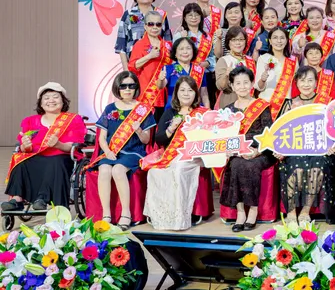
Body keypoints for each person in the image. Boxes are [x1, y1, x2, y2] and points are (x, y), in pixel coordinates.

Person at [3, 83, 86, 212]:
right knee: (21, 160)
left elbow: (74, 145)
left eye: (55, 97)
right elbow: (24, 148)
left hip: (62, 158)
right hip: (37, 157)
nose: (51, 100)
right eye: (46, 98)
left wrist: (58, 145)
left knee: (55, 161)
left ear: (63, 101)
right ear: (41, 104)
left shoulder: (73, 119)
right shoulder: (30, 121)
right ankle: (17, 199)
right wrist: (25, 146)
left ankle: (42, 198)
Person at [88, 72, 155, 230]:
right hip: (111, 151)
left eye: (131, 86)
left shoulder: (143, 109)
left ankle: (126, 214)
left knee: (118, 170)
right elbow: (102, 137)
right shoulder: (110, 109)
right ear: (117, 88)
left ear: (136, 88)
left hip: (133, 151)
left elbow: (146, 140)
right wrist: (107, 151)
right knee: (104, 169)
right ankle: (106, 215)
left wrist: (138, 130)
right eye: (123, 86)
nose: (127, 89)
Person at [144, 76, 209, 231]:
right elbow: (159, 139)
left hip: (195, 155)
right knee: (154, 172)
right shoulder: (170, 113)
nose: (186, 94)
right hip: (171, 154)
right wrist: (171, 129)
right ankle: (161, 214)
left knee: (179, 169)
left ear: (196, 94)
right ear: (176, 93)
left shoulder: (203, 113)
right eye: (182, 90)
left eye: (190, 90)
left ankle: (180, 217)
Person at [277, 67, 335, 224]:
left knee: (317, 165)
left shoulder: (326, 103)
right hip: (294, 149)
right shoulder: (289, 103)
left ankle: (305, 211)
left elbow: (334, 128)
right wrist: (279, 150)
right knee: (293, 164)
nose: (306, 84)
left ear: (316, 83)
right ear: (296, 83)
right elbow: (279, 130)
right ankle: (291, 212)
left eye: (310, 80)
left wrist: (333, 145)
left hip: (318, 150)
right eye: (302, 80)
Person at [219, 66, 275, 232]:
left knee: (250, 165)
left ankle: (253, 210)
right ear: (232, 85)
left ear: (251, 84)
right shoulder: (227, 110)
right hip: (237, 153)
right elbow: (223, 136)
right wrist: (231, 151)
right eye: (238, 83)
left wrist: (257, 151)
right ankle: (241, 212)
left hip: (261, 151)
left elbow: (268, 133)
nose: (242, 86)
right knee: (236, 164)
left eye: (246, 82)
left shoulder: (261, 106)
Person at [115, 0, 172, 71]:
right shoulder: (128, 14)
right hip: (135, 66)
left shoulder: (161, 14)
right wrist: (126, 71)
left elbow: (168, 42)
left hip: (157, 67)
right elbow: (121, 44)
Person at [128, 10, 172, 119]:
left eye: (158, 24)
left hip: (163, 93)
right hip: (146, 93)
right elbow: (132, 66)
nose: (155, 27)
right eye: (151, 24)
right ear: (145, 26)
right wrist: (149, 56)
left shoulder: (167, 45)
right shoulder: (140, 44)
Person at [255, 27, 298, 119]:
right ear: (270, 41)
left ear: (287, 41)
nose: (279, 41)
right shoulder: (263, 59)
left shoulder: (293, 60)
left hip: (287, 105)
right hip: (267, 103)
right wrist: (262, 80)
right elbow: (258, 87)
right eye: (275, 38)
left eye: (282, 38)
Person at [158, 37, 210, 108]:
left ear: (193, 51)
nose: (185, 52)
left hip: (195, 109)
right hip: (174, 108)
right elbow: (161, 86)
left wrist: (207, 110)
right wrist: (161, 79)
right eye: (181, 49)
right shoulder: (168, 68)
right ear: (175, 53)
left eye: (188, 48)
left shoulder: (199, 70)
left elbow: (204, 94)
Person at [215, 26, 256, 109]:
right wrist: (226, 75)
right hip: (230, 101)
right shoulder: (224, 60)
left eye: (241, 39)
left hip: (250, 103)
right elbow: (220, 86)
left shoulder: (250, 60)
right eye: (234, 40)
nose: (238, 43)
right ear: (228, 42)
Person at [173, 3, 215, 72]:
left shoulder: (207, 36)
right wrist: (183, 39)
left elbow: (213, 56)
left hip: (204, 73)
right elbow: (174, 56)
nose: (194, 18)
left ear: (201, 17)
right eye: (190, 15)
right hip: (184, 73)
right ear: (185, 18)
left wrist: (208, 62)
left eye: (196, 15)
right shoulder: (179, 36)